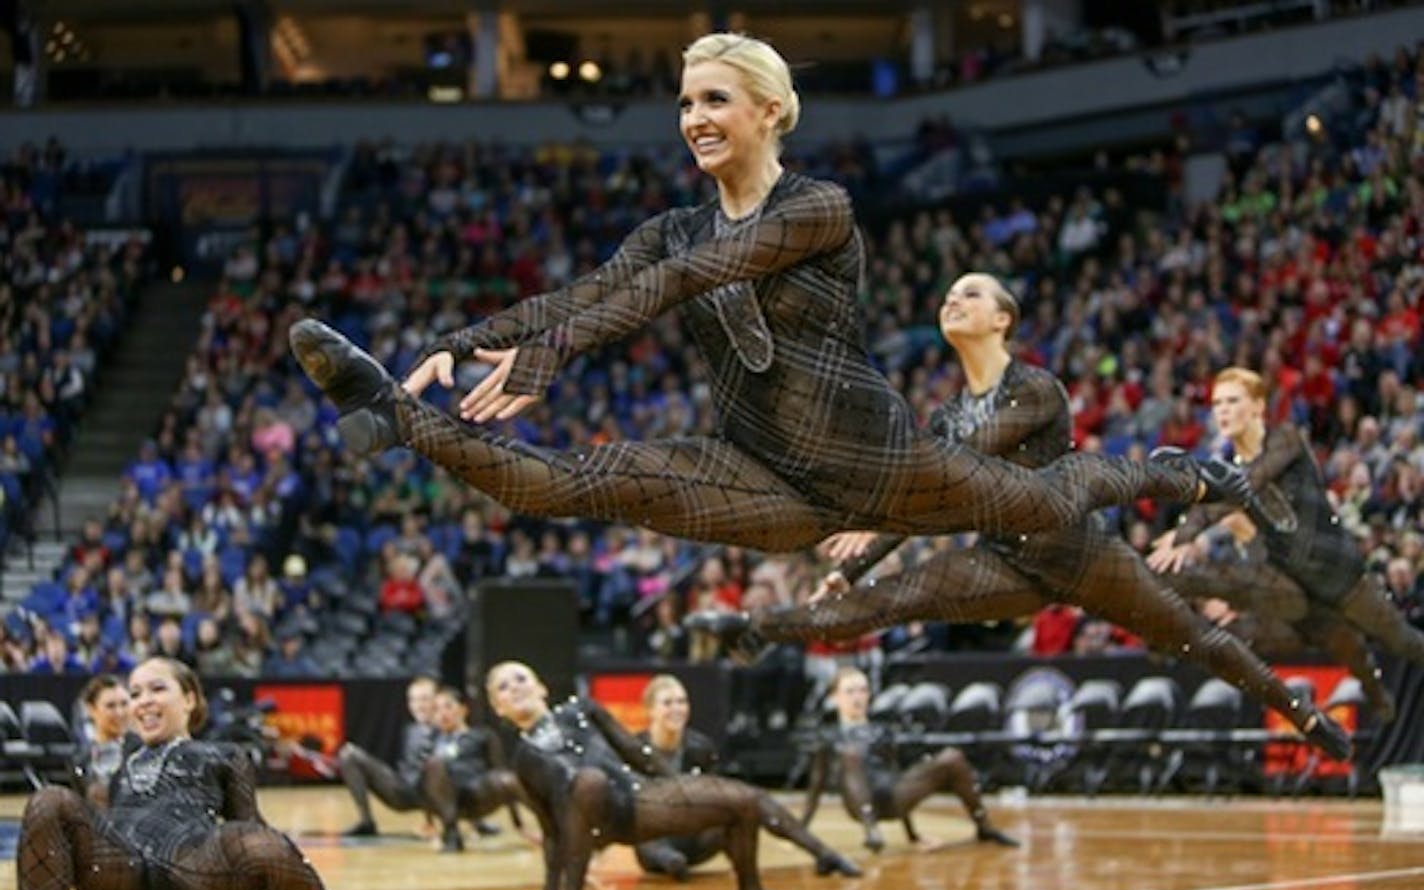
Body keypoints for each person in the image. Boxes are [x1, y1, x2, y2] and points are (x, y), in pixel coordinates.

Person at [290, 33, 1257, 559]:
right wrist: (466, 339)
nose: (694, 119)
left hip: (885, 463)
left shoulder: (819, 207)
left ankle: (1178, 471)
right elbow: (598, 286)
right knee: (569, 485)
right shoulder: (671, 222)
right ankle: (391, 409)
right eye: (683, 103)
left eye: (714, 99)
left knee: (1053, 496)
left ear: (769, 110)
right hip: (763, 472)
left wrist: (559, 350)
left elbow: (684, 280)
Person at [686, 274, 1350, 759]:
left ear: (1002, 318)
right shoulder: (944, 416)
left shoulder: (1035, 389)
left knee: (1196, 638)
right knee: (879, 603)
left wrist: (893, 498)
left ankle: (1301, 712)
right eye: (947, 292)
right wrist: (856, 563)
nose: (953, 298)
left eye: (970, 292)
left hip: (1084, 555)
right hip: (1005, 561)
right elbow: (934, 490)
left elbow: (960, 466)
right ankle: (749, 625)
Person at [486, 660, 858, 890]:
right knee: (589, 781)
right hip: (586, 824)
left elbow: (633, 751)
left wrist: (680, 786)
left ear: (541, 687)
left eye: (520, 677)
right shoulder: (524, 758)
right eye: (503, 687)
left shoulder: (582, 709)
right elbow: (551, 829)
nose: (514, 687)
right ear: (498, 708)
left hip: (635, 802)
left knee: (742, 800)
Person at [1148, 366, 1424, 718]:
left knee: (1402, 640)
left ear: (1258, 406)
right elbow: (1244, 516)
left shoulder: (1286, 439)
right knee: (1337, 641)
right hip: (1293, 582)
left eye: (1233, 401)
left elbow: (1246, 484)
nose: (1222, 410)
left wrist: (1186, 531)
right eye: (1217, 403)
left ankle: (1376, 692)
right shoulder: (1234, 468)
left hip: (1337, 573)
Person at [16, 658, 344, 890]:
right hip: (126, 882)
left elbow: (258, 853)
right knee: (49, 800)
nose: (142, 702)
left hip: (192, 873)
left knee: (260, 840)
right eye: (135, 694)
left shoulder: (224, 754)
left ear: (189, 699)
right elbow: (117, 833)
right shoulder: (120, 760)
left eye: (157, 688)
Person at [631, 674, 859, 881]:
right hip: (653, 841)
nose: (677, 708)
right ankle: (672, 861)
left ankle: (824, 853)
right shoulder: (634, 749)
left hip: (694, 836)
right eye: (668, 703)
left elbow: (715, 794)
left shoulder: (700, 747)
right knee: (659, 846)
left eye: (682, 701)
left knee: (750, 801)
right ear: (650, 710)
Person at [803, 667, 1018, 853]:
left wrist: (912, 835)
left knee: (952, 757)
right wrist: (803, 828)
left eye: (863, 690)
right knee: (850, 754)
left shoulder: (881, 730)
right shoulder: (828, 736)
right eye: (850, 691)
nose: (858, 697)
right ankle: (872, 832)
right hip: (858, 803)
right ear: (834, 697)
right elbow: (816, 783)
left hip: (890, 797)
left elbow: (894, 771)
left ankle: (984, 826)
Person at [420, 685, 528, 852]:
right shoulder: (430, 742)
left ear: (463, 710)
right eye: (436, 709)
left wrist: (519, 824)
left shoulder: (482, 735)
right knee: (434, 763)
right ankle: (451, 833)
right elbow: (424, 782)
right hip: (446, 801)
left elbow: (502, 774)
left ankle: (549, 826)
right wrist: (429, 823)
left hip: (477, 793)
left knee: (505, 779)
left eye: (448, 706)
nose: (442, 713)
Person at [336, 673, 438, 837]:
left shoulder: (444, 730)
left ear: (437, 700)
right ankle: (366, 821)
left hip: (432, 796)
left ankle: (476, 821)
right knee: (349, 754)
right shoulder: (411, 730)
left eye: (424, 699)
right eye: (413, 700)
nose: (418, 705)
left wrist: (430, 822)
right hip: (402, 790)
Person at [71, 674, 132, 808]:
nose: (120, 713)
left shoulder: (142, 750)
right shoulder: (81, 760)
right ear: (91, 709)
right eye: (111, 706)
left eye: (124, 704)